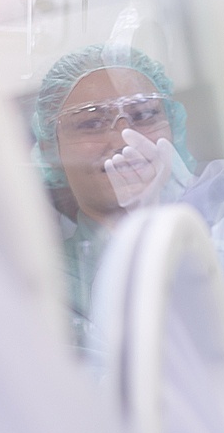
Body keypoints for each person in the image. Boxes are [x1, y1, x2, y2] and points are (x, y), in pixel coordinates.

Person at [31, 44, 198, 351]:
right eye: (91, 123)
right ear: (50, 149)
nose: (123, 138)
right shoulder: (46, 282)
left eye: (144, 115)